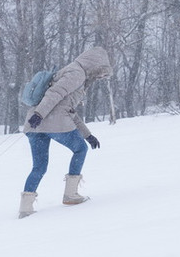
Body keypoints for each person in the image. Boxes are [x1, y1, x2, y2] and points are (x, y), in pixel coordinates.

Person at [18, 45, 112, 218]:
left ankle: (25, 208)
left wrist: (88, 134)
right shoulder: (77, 74)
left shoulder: (73, 73)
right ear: (94, 64)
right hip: (53, 122)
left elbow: (68, 110)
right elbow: (55, 94)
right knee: (80, 149)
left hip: (35, 125)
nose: (100, 77)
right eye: (101, 73)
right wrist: (40, 114)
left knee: (39, 166)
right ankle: (70, 195)